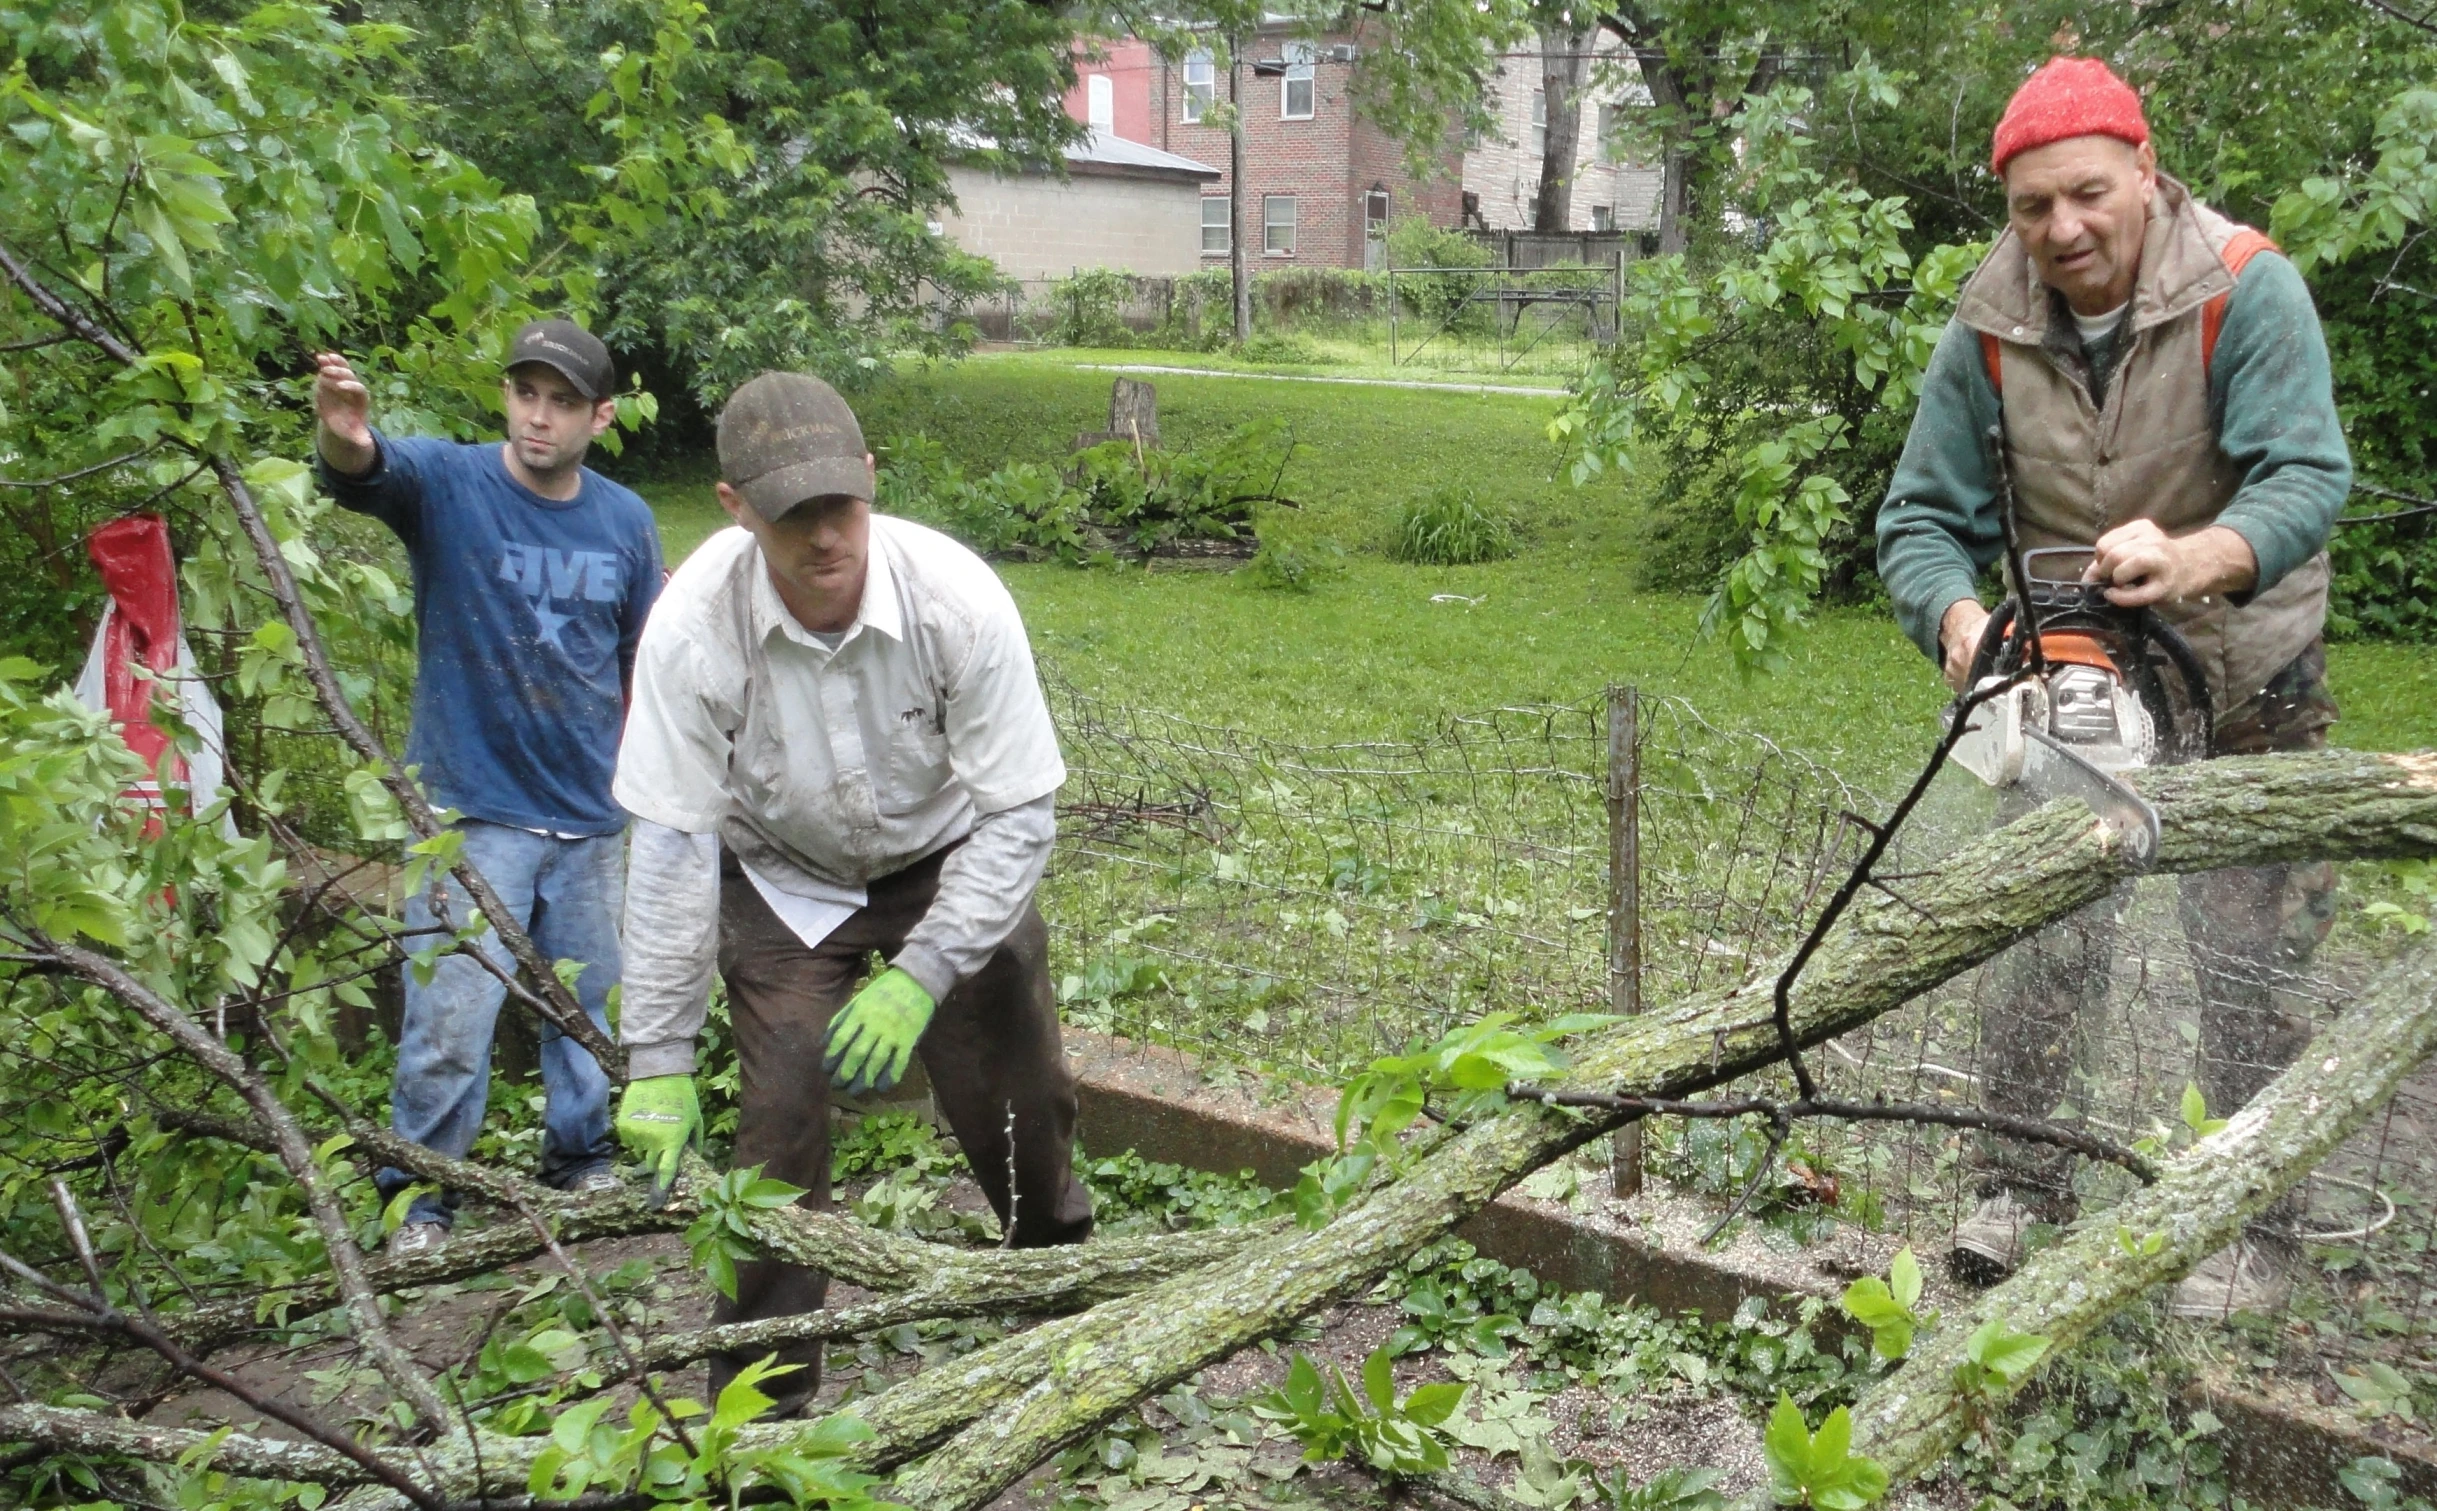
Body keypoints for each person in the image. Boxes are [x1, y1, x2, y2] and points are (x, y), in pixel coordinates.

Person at [1874, 58, 2351, 1315]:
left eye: (2086, 194)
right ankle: (2017, 1190)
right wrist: (1963, 619)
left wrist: (2192, 556)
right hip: (2073, 689)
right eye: (2032, 208)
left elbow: (2307, 477)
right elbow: (1919, 517)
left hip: (2247, 683)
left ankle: (2252, 1224)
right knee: (2038, 940)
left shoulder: (2244, 290)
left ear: (2143, 171)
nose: (2061, 230)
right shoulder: (1987, 327)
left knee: (2247, 957)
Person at [610, 370, 1093, 1415]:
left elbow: (1018, 814)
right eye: (792, 514)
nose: (824, 536)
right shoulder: (695, 628)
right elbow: (671, 840)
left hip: (943, 852)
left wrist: (923, 973)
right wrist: (655, 1055)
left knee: (1013, 1078)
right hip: (782, 874)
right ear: (735, 507)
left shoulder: (955, 599)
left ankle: (1063, 1292)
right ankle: (764, 1400)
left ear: (871, 480)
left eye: (841, 503)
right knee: (778, 1117)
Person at [313, 320, 664, 1255]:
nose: (538, 416)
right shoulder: (449, 483)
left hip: (591, 815)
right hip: (470, 813)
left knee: (588, 1010)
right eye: (525, 393)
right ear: (506, 396)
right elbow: (366, 471)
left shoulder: (625, 521)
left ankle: (581, 1158)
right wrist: (344, 435)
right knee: (447, 1024)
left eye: (561, 401)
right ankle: (419, 1201)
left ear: (601, 415)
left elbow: (644, 662)